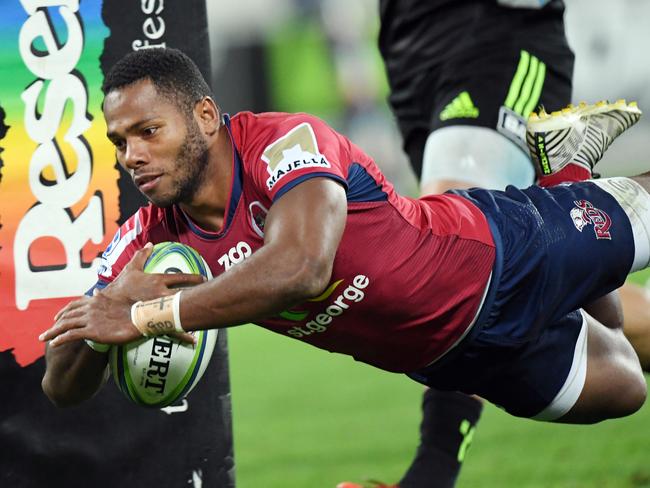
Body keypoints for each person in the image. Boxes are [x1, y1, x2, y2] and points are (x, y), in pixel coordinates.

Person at [41, 47, 647, 467]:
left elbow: (301, 268)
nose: (132, 155)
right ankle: (564, 169)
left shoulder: (284, 142)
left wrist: (150, 316)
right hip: (450, 358)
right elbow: (60, 386)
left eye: (149, 131)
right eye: (120, 142)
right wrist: (101, 327)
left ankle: (566, 186)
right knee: (623, 383)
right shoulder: (151, 236)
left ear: (204, 115)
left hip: (499, 255)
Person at [340, 1, 650, 486]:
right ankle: (566, 179)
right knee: (574, 318)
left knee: (447, 261)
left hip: (495, 30)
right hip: (408, 48)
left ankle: (434, 471)